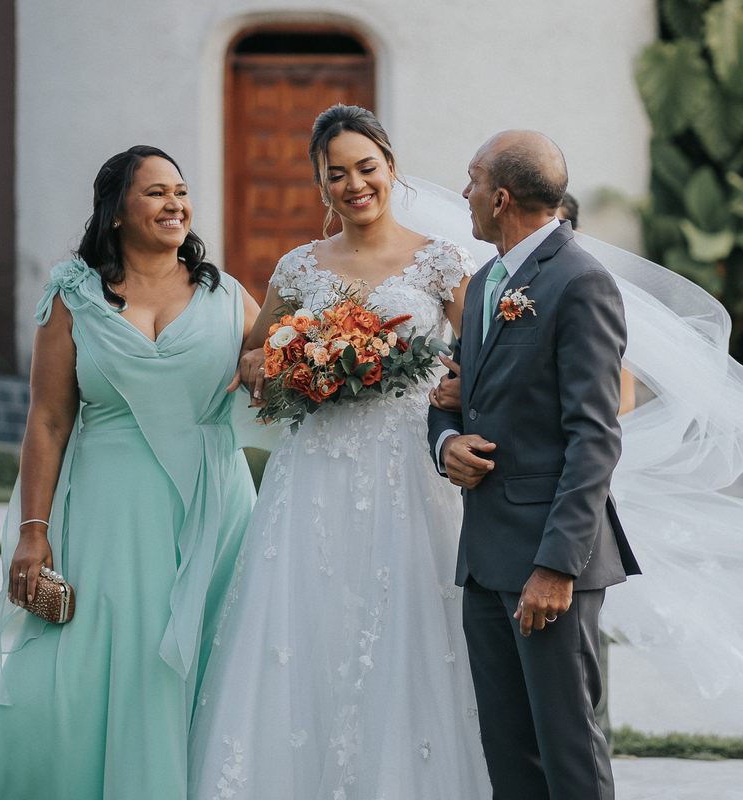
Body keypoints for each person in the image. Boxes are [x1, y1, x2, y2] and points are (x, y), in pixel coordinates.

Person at [188, 105, 493, 800]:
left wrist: (455, 398)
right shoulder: (300, 266)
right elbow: (255, 347)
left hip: (411, 472)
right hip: (316, 473)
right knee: (310, 630)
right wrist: (276, 366)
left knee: (412, 631)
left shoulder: (441, 262)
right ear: (320, 186)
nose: (355, 184)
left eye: (366, 167)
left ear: (390, 168)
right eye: (337, 174)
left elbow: (483, 363)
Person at [0, 146, 259, 799]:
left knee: (201, 667)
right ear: (117, 209)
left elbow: (276, 382)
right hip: (106, 510)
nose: (175, 204)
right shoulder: (73, 296)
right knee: (84, 676)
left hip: (211, 509)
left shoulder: (228, 296)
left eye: (181, 191)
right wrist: (32, 531)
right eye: (156, 192)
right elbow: (47, 421)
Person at [428, 130, 640, 800]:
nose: (462, 195)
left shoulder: (581, 283)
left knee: (569, 749)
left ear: (500, 196)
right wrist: (445, 442)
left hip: (551, 564)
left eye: (471, 181)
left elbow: (594, 437)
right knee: (509, 753)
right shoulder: (490, 279)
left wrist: (557, 567)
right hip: (487, 552)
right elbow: (454, 391)